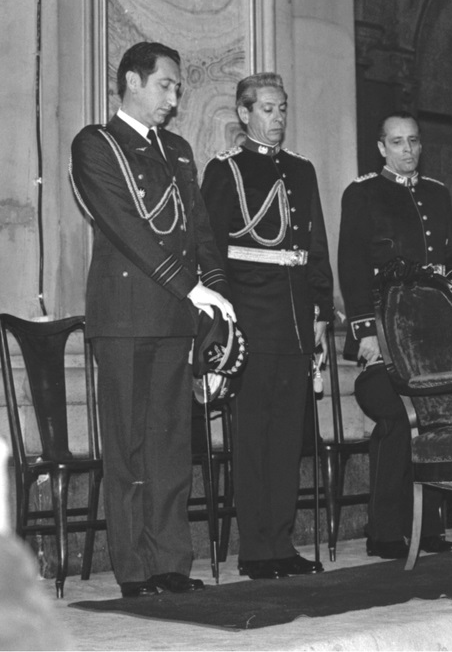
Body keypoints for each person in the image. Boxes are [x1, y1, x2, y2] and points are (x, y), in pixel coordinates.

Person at [69, 41, 235, 597]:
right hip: (124, 315)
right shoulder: (97, 144)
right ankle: (135, 570)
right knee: (129, 449)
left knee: (169, 447)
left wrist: (217, 296)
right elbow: (127, 227)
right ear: (133, 82)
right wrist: (190, 287)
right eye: (165, 85)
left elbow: (201, 233)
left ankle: (171, 562)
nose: (173, 96)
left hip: (175, 315)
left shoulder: (180, 150)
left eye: (178, 87)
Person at [200, 72, 333, 579]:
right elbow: (212, 249)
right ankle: (256, 550)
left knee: (287, 440)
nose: (276, 120)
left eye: (282, 109)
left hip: (297, 318)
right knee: (253, 437)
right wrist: (224, 319)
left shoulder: (302, 170)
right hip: (251, 317)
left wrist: (321, 311)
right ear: (244, 113)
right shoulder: (225, 170)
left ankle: (282, 543)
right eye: (267, 110)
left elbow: (314, 244)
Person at [338, 111, 452, 559]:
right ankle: (386, 531)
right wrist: (365, 331)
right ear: (380, 147)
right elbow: (351, 267)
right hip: (384, 336)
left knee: (434, 420)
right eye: (397, 142)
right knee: (395, 418)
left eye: (413, 141)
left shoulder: (437, 194)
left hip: (433, 337)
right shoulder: (363, 193)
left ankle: (428, 529)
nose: (407, 150)